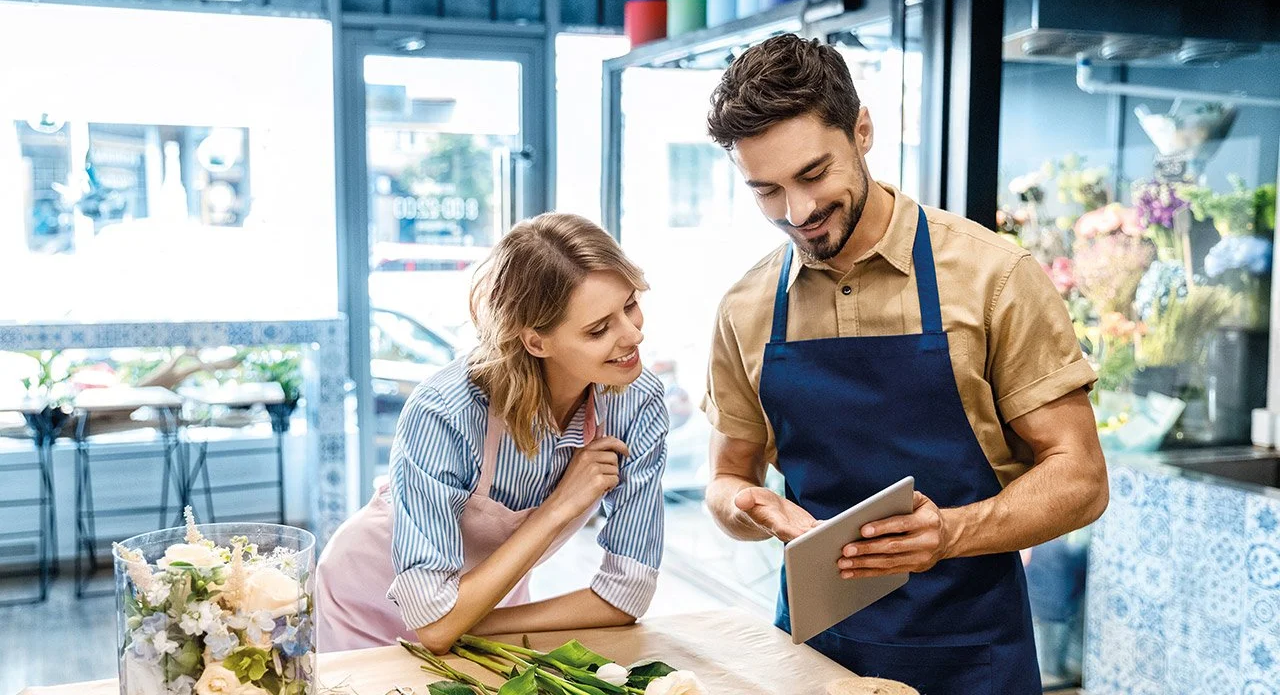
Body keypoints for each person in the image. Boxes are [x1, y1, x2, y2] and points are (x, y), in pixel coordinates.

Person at [700, 34, 1109, 694]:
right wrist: (748, 505)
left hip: (974, 657)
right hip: (815, 661)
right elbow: (725, 476)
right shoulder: (745, 308)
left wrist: (950, 531)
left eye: (812, 175)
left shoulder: (992, 278)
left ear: (862, 131)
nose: (797, 212)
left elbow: (1082, 478)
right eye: (767, 191)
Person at [317, 213, 669, 654]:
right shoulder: (445, 412)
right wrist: (559, 507)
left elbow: (626, 594)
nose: (633, 333)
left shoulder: (637, 402)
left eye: (630, 304)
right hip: (363, 600)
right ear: (536, 342)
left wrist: (465, 620)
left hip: (485, 605)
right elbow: (434, 621)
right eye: (599, 329)